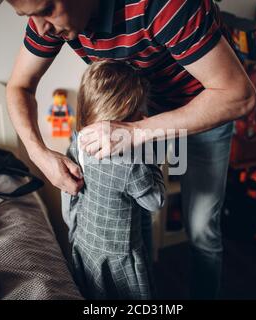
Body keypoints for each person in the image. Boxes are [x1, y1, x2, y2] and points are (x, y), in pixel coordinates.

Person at [0, 0, 256, 299]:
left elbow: (240, 97)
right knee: (137, 217)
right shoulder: (48, 20)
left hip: (210, 110)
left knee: (201, 229)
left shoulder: (167, 6)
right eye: (28, 15)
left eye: (46, 10)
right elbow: (19, 86)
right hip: (142, 115)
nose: (40, 26)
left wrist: (136, 132)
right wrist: (39, 154)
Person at [61, 60, 165, 300]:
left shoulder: (77, 144)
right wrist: (153, 161)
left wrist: (75, 232)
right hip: (120, 255)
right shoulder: (132, 163)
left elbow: (68, 195)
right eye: (140, 113)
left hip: (84, 244)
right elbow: (155, 201)